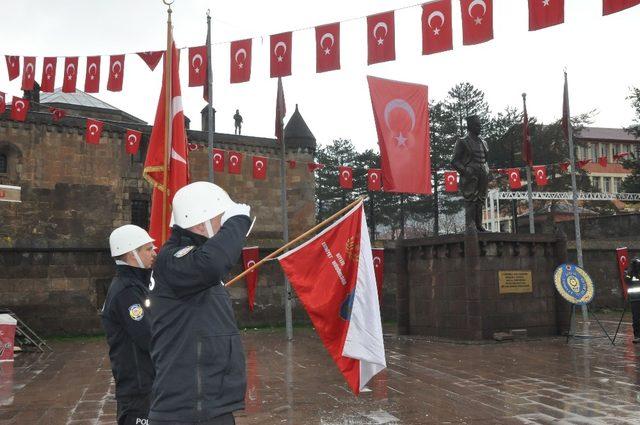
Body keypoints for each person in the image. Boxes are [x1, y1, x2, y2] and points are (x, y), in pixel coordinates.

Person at [148, 181, 251, 425]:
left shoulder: (192, 261)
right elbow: (211, 263)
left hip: (209, 405)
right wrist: (237, 221)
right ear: (200, 221)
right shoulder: (173, 258)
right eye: (221, 219)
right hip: (185, 410)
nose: (225, 227)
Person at [101, 224, 157, 425]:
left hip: (147, 383)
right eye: (148, 249)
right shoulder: (127, 292)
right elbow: (149, 337)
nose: (154, 253)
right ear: (133, 254)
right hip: (139, 389)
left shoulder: (136, 287)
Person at [451, 114, 490, 232]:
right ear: (470, 126)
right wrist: (465, 170)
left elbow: (485, 158)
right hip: (470, 173)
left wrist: (486, 170)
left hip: (483, 173)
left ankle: (479, 225)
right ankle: (470, 226)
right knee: (471, 199)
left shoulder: (483, 142)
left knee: (481, 199)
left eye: (480, 125)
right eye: (477, 125)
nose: (480, 127)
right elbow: (454, 161)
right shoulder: (462, 141)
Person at [625, 257, 640, 343]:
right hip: (634, 299)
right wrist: (631, 270)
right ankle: (637, 336)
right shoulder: (629, 272)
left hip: (635, 298)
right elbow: (627, 280)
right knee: (636, 318)